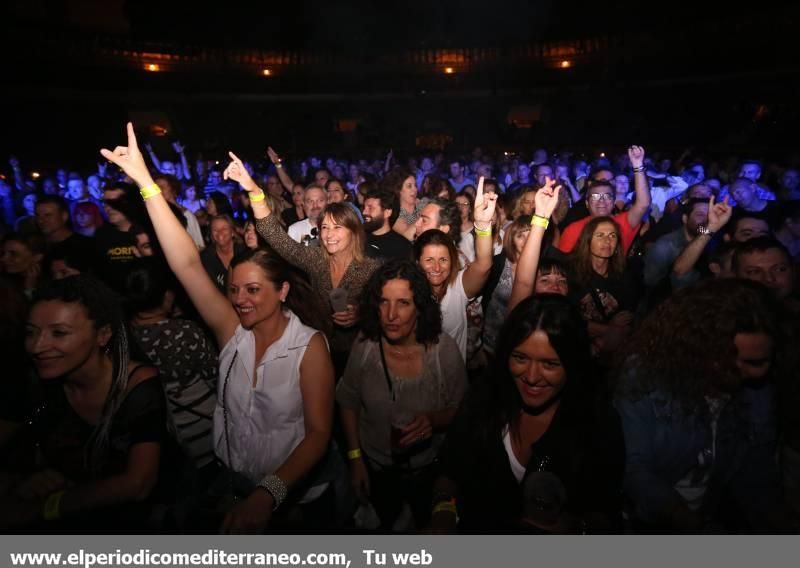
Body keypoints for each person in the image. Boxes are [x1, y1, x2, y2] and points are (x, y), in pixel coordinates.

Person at [100, 123, 337, 533]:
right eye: (234, 290)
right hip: (231, 487)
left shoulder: (308, 346)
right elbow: (186, 263)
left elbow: (318, 434)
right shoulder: (232, 330)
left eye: (253, 290)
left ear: (282, 291)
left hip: (292, 499)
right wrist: (145, 185)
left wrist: (268, 495)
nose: (240, 299)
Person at [430, 295, 624, 533]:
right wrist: (443, 514)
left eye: (549, 364)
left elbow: (606, 510)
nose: (532, 377)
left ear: (572, 363)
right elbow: (449, 470)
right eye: (520, 358)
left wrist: (576, 528)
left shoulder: (597, 423)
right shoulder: (485, 398)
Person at [0, 275, 177, 532]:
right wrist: (25, 482)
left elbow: (139, 483)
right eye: (31, 333)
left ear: (103, 334)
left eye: (59, 333)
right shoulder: (36, 387)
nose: (38, 346)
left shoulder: (135, 384)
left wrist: (45, 507)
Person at [616, 279, 788, 533]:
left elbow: (755, 474)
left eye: (756, 362)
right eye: (729, 359)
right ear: (702, 346)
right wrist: (686, 522)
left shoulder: (757, 391)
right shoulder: (646, 376)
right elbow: (635, 469)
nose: (741, 372)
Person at [223, 152, 381, 376]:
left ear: (354, 232)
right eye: (325, 227)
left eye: (337, 228)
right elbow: (274, 235)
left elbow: (388, 312)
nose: (329, 235)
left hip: (362, 356)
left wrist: (361, 315)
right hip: (321, 352)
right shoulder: (316, 259)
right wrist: (254, 191)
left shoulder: (371, 268)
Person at [337, 260, 467, 529]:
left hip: (429, 472)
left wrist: (434, 420)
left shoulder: (444, 351)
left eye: (403, 303)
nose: (391, 315)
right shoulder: (366, 346)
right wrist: (355, 459)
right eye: (383, 302)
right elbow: (348, 401)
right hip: (376, 470)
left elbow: (465, 411)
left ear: (420, 307)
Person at [413, 178, 497, 360]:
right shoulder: (410, 264)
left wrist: (482, 226)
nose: (417, 224)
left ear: (443, 229)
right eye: (429, 260)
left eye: (424, 220)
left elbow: (483, 265)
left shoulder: (457, 270)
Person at [558, 146, 652, 256]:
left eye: (607, 196)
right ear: (587, 203)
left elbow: (643, 204)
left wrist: (637, 165)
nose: (601, 201)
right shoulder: (573, 230)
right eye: (596, 196)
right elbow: (563, 267)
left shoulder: (622, 224)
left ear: (613, 202)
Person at [568, 216, 638, 357]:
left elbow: (626, 319)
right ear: (587, 240)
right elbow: (568, 321)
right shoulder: (571, 273)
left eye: (612, 236)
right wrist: (609, 328)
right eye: (600, 235)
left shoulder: (623, 275)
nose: (607, 241)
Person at [362, 189, 412, 260]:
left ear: (387, 213)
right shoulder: (358, 238)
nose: (364, 212)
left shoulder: (402, 247)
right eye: (364, 207)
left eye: (370, 208)